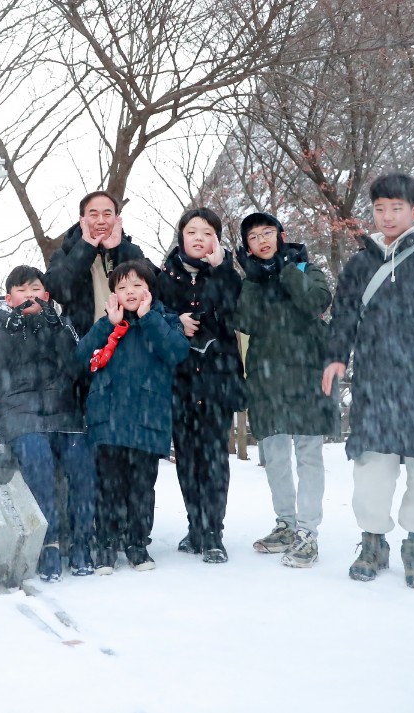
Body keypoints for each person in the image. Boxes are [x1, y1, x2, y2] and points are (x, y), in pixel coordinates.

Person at [322, 173, 414, 589]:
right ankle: (372, 540)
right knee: (371, 467)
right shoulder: (361, 261)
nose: (387, 216)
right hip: (376, 379)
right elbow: (345, 313)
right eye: (380, 208)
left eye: (397, 208)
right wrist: (336, 357)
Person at [231, 211, 335, 569]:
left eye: (267, 233)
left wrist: (288, 269)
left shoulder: (307, 268)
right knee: (274, 457)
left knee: (309, 456)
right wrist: (252, 279)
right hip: (267, 379)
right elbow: (244, 321)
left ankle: (308, 532)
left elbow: (316, 302)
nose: (262, 241)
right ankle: (286, 524)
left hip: (307, 376)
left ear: (280, 234)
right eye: (254, 238)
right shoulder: (252, 282)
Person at [0, 266, 95, 581]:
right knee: (38, 460)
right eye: (22, 289)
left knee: (82, 464)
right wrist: (12, 330)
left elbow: (78, 369)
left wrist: (54, 328)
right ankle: (49, 544)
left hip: (65, 413)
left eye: (35, 289)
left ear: (47, 295)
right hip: (19, 414)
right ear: (9, 297)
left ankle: (83, 542)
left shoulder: (63, 324)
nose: (30, 295)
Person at [75, 260, 188, 574]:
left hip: (146, 420)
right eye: (122, 287)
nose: (130, 292)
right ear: (114, 294)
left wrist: (147, 318)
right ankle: (105, 546)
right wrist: (105, 325)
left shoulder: (164, 320)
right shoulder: (107, 324)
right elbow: (80, 357)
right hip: (107, 419)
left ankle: (137, 544)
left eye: (137, 285)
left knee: (141, 487)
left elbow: (177, 352)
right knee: (108, 486)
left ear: (149, 289)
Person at [154, 208, 245, 564]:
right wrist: (175, 320)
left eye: (207, 232)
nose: (198, 237)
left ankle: (213, 532)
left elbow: (237, 312)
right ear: (181, 236)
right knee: (188, 459)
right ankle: (195, 525)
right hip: (179, 381)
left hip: (217, 379)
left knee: (214, 458)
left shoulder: (227, 274)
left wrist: (222, 270)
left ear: (216, 239)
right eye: (192, 231)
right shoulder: (163, 277)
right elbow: (149, 314)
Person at [45, 191, 147, 338]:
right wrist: (85, 249)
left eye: (107, 214)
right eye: (93, 215)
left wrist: (118, 250)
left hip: (128, 342)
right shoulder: (65, 254)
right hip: (83, 343)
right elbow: (58, 292)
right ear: (82, 221)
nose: (101, 221)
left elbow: (152, 286)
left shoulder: (131, 251)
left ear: (117, 219)